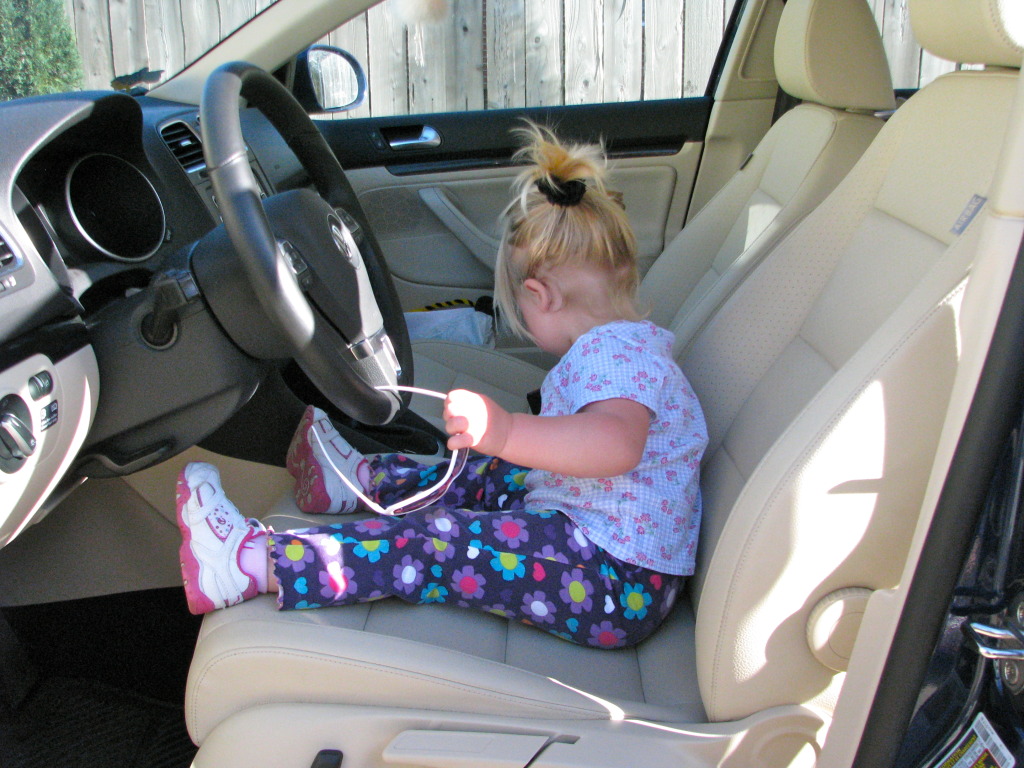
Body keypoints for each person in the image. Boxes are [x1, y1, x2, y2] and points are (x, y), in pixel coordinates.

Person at [176, 123, 708, 649]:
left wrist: (505, 430)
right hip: (608, 549)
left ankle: (248, 564)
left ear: (540, 296)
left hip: (613, 579)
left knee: (437, 542)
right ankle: (360, 480)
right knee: (494, 473)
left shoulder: (613, 354)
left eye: (520, 309)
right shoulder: (627, 345)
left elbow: (616, 446)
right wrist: (504, 445)